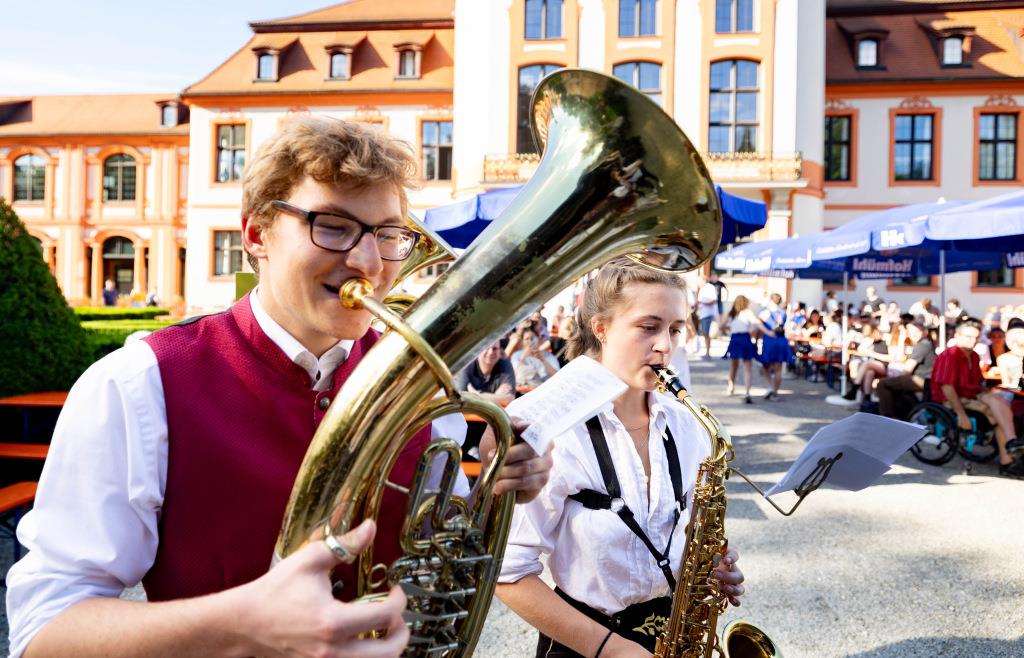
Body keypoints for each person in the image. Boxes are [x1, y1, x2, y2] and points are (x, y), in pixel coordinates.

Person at [6, 116, 553, 658]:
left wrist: (494, 486)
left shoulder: (422, 385)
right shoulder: (138, 385)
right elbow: (45, 632)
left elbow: (439, 553)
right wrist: (241, 622)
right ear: (256, 234)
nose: (368, 263)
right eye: (333, 226)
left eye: (388, 235)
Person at [495, 258, 745, 657]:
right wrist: (612, 650)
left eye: (676, 329)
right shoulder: (553, 429)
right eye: (649, 327)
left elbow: (689, 535)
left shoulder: (687, 425)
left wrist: (711, 566)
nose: (665, 345)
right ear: (601, 328)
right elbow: (505, 573)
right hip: (584, 644)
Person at [931, 318, 1024, 478]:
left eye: (975, 337)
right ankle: (1010, 449)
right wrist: (961, 415)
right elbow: (947, 387)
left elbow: (977, 384)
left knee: (1000, 403)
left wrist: (989, 393)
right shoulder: (950, 355)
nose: (972, 340)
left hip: (972, 396)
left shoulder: (973, 355)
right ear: (957, 335)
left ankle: (1008, 455)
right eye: (968, 336)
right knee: (998, 406)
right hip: (952, 399)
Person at [875, 320, 936, 420]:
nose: (914, 335)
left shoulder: (922, 345)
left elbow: (907, 369)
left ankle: (886, 417)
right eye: (911, 332)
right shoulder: (925, 343)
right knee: (893, 383)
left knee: (883, 384)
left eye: (917, 332)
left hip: (922, 379)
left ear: (924, 332)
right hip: (925, 379)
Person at [723, 295, 769, 404]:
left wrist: (730, 328)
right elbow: (757, 323)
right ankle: (747, 392)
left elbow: (721, 325)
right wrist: (768, 332)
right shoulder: (747, 312)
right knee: (747, 367)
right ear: (746, 303)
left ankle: (731, 386)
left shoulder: (731, 313)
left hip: (734, 339)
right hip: (745, 339)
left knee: (733, 366)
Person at [757, 292, 792, 401]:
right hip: (781, 341)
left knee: (766, 366)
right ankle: (775, 392)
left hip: (770, 341)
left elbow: (758, 326)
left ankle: (770, 388)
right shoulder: (783, 313)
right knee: (778, 368)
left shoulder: (764, 313)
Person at [695, 275, 719, 358]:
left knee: (707, 334)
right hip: (703, 314)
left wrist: (702, 303)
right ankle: (707, 352)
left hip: (708, 314)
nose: (698, 283)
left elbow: (714, 300)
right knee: (705, 334)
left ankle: (708, 352)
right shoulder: (702, 288)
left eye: (699, 281)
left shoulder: (710, 288)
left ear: (703, 280)